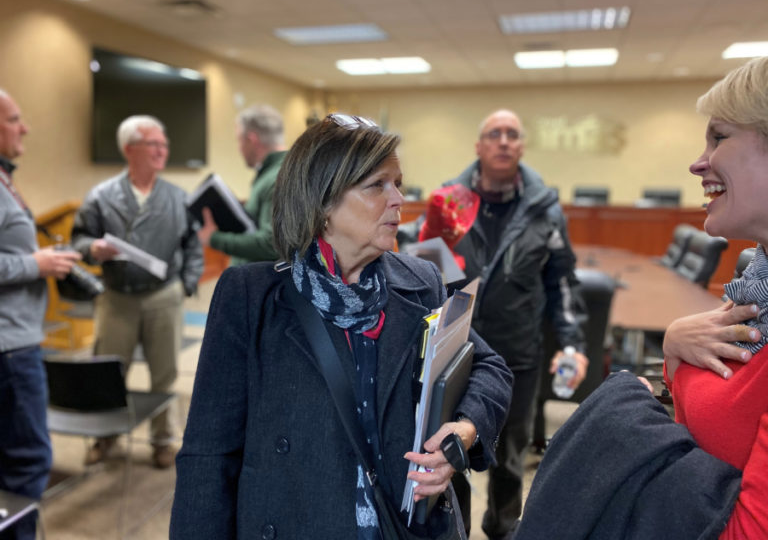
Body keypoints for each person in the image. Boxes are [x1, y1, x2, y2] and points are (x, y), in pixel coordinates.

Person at [170, 113, 513, 539]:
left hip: (401, 525)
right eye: (377, 185)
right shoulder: (248, 296)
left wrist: (463, 431)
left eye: (398, 183)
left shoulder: (419, 281)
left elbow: (491, 368)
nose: (397, 199)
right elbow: (208, 456)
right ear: (323, 202)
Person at [515, 56, 768, 540]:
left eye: (719, 137)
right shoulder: (758, 285)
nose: (698, 162)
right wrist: (673, 343)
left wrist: (626, 415)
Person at [428, 109, 587, 539]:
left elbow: (563, 281)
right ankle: (454, 530)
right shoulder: (447, 203)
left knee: (509, 457)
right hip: (455, 354)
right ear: (478, 147)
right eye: (493, 134)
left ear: (521, 147)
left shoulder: (544, 209)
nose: (503, 141)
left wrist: (572, 344)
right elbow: (426, 275)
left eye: (512, 134)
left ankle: (501, 528)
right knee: (448, 450)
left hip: (518, 354)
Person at [71, 115, 203, 469]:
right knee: (109, 371)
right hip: (117, 297)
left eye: (164, 145)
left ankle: (163, 440)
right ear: (130, 149)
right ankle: (105, 436)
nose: (162, 151)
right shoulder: (101, 197)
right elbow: (78, 238)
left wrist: (186, 284)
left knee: (165, 371)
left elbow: (193, 247)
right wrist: (92, 249)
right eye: (154, 144)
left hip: (163, 295)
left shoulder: (177, 197)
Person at [0, 89, 80, 540]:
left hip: (15, 340)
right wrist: (36, 265)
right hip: (11, 350)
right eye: (14, 119)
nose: (25, 127)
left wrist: (67, 254)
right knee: (29, 461)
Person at [196, 104, 286, 265]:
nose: (239, 148)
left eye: (239, 140)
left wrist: (213, 238)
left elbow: (271, 244)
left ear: (252, 140)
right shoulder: (274, 172)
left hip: (259, 284)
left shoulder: (277, 177)